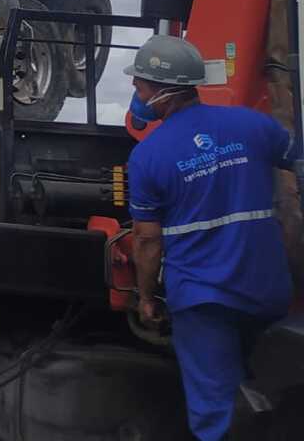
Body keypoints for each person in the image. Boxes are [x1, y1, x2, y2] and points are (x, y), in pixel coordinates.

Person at [126, 34, 300, 441]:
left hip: (205, 300)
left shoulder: (148, 156)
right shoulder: (252, 124)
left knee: (214, 414)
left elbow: (147, 241)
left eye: (138, 84)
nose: (135, 91)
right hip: (267, 290)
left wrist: (146, 297)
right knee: (267, 386)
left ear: (160, 90)